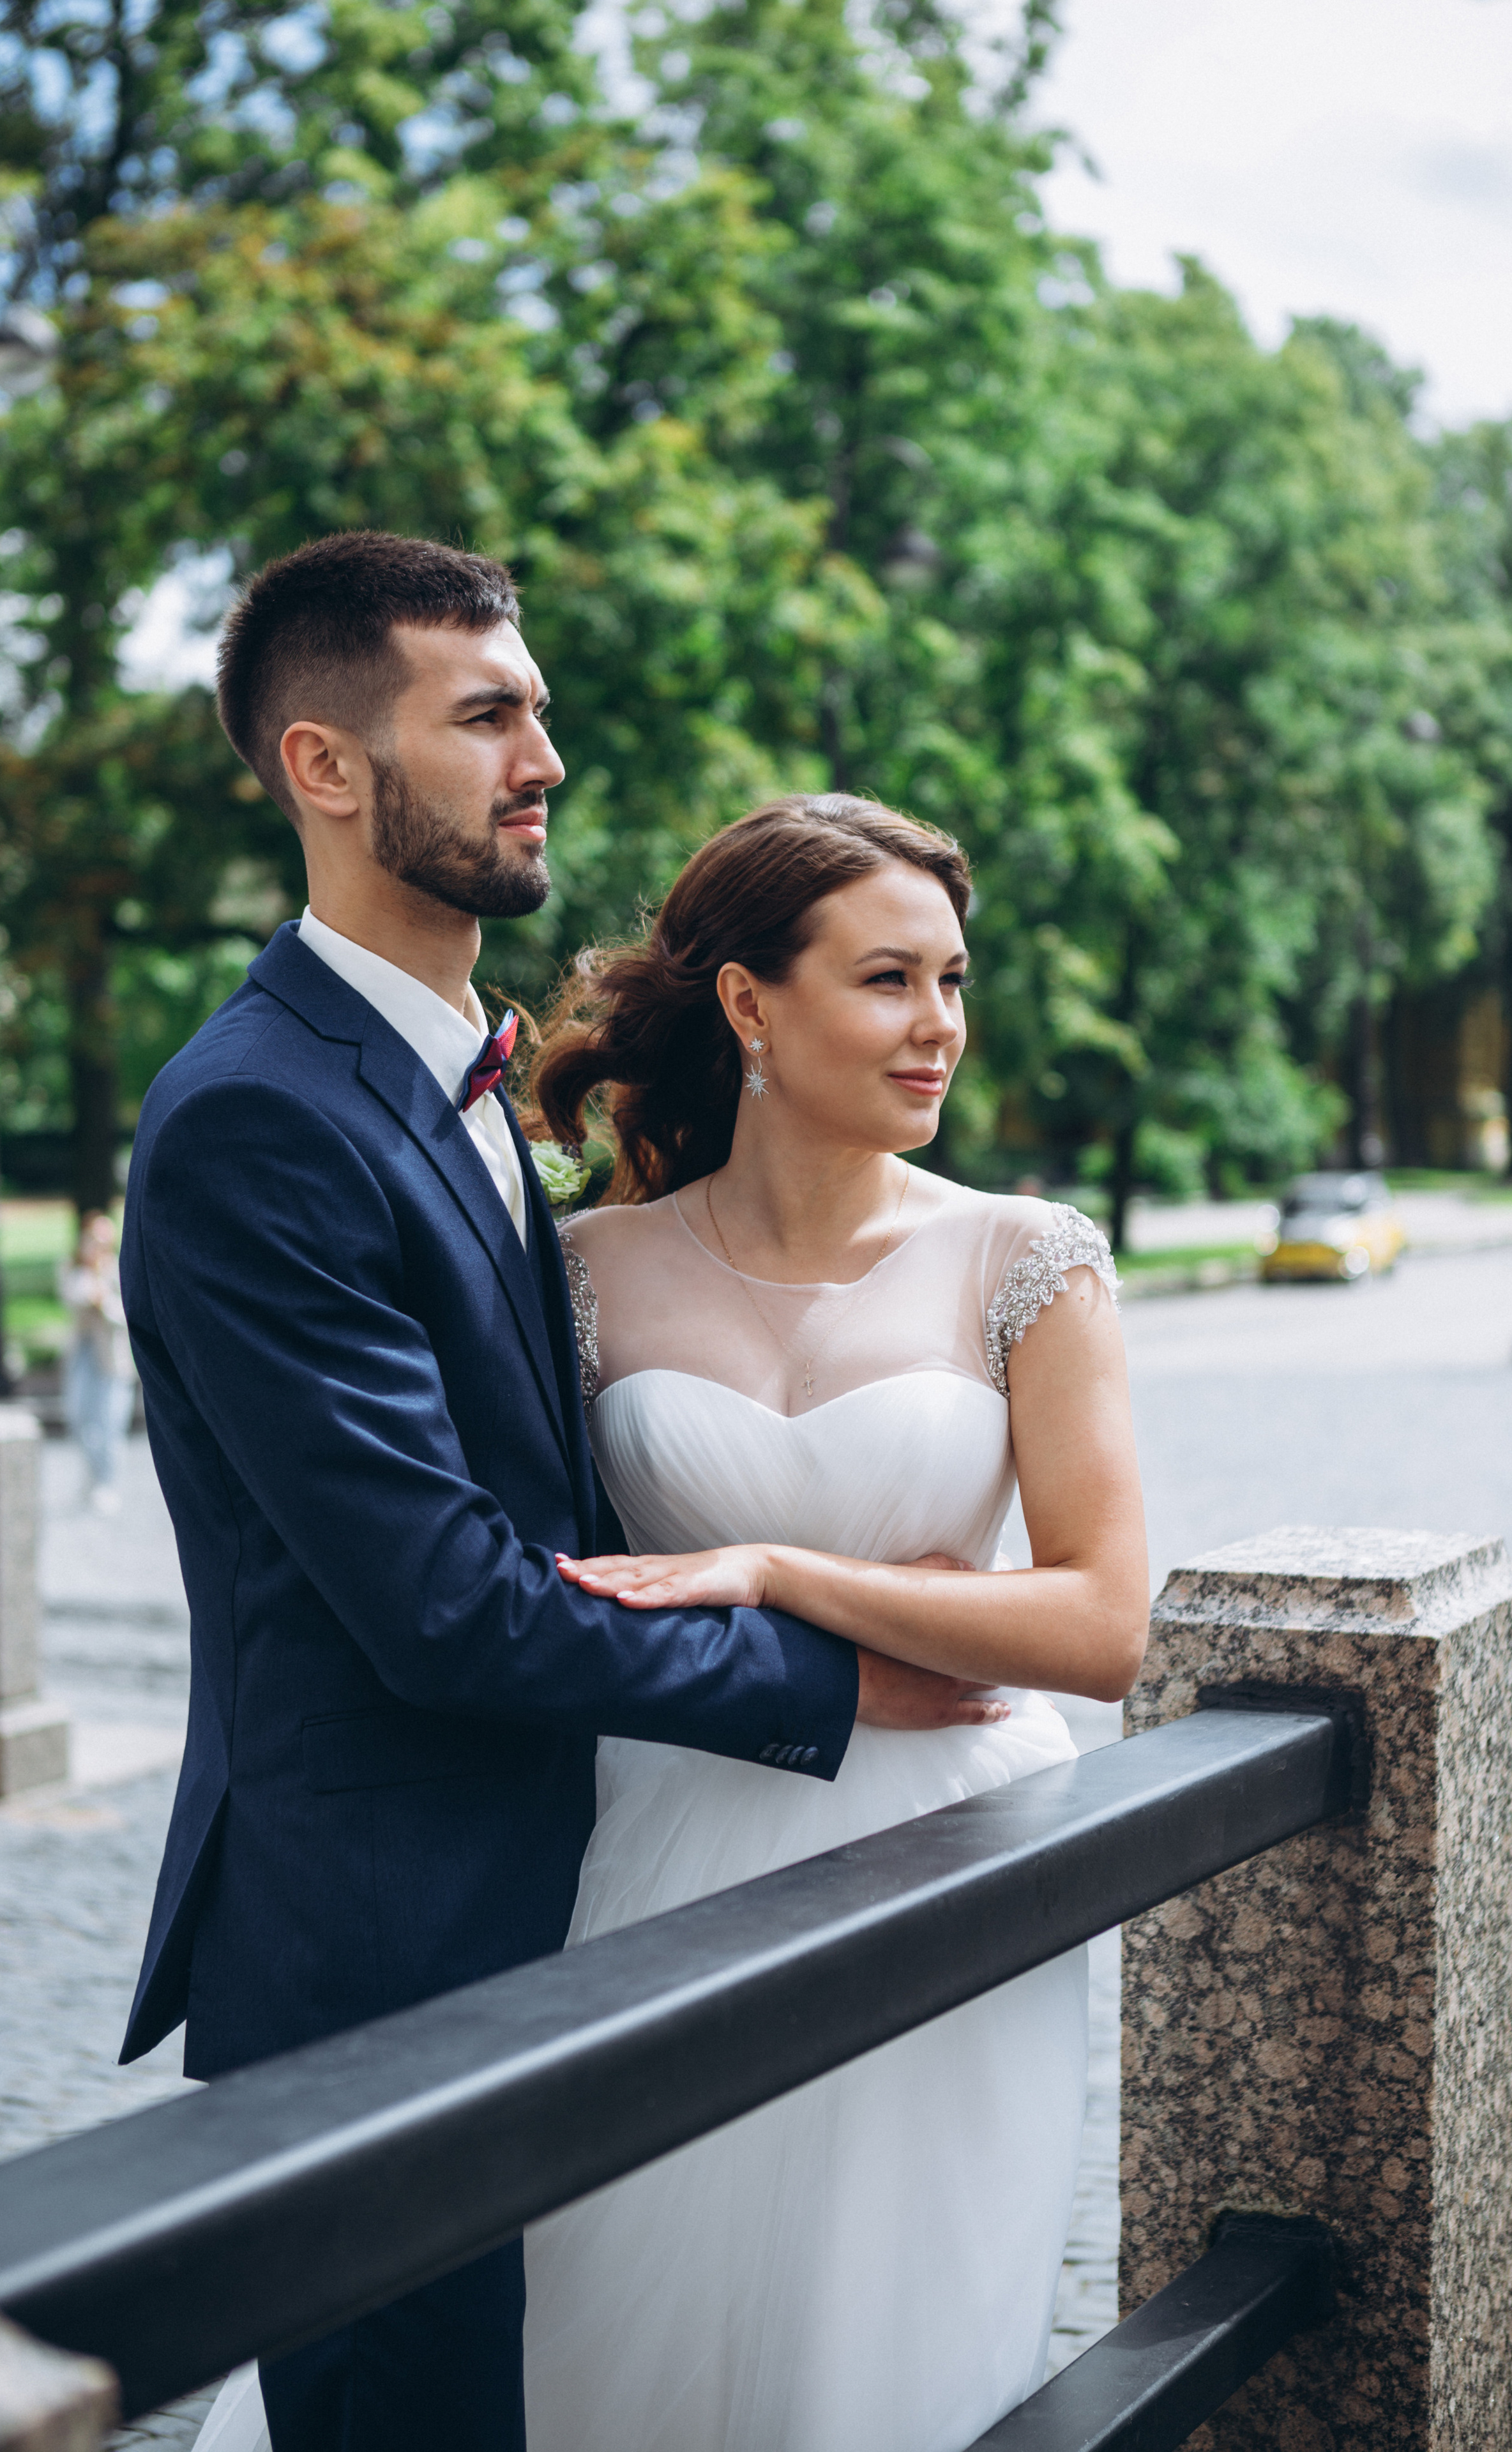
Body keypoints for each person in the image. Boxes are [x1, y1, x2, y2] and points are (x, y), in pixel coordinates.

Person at [121, 531, 993, 2452]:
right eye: (485, 716)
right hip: (378, 1946)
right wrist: (835, 1673)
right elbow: (442, 1600)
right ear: (323, 765)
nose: (547, 758)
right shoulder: (259, 1114)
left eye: (538, 709)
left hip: (546, 1908)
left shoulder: (451, 1084)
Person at [511, 796, 1150, 2452]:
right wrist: (879, 1619)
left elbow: (1105, 1623)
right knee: (607, 2324)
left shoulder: (1028, 1261)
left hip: (956, 1861)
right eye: (887, 980)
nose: (939, 1026)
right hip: (655, 1848)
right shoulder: (579, 1273)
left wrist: (782, 1575)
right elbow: (525, 1596)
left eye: (952, 980)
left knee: (891, 2344)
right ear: (748, 1003)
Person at [61, 1209, 133, 1511]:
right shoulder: (73, 1270)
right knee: (78, 1417)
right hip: (83, 1355)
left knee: (109, 1423)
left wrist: (103, 1301)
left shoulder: (119, 1270)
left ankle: (106, 1482)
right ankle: (92, 1476)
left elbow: (126, 1316)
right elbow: (74, 1297)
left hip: (112, 1359)